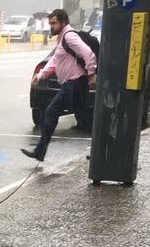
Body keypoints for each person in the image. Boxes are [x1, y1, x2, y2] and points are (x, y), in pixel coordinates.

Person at [22, 8, 96, 162]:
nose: (51, 26)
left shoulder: (69, 37)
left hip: (75, 83)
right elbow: (55, 61)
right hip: (71, 84)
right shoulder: (62, 38)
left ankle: (39, 151)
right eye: (50, 23)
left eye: (54, 23)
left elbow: (89, 54)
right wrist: (41, 74)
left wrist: (91, 75)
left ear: (63, 22)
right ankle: (101, 150)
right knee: (84, 120)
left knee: (51, 111)